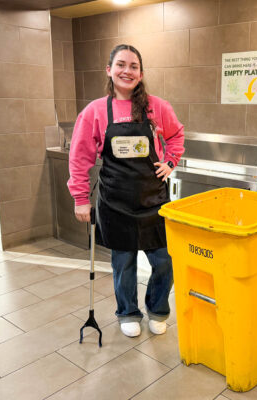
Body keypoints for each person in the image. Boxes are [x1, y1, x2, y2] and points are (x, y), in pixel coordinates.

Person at [67, 44, 185, 338]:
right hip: (115, 201)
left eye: (133, 66)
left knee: (164, 261)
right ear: (109, 70)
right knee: (124, 262)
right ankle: (128, 312)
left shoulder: (157, 107)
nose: (127, 71)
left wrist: (170, 161)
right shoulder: (95, 111)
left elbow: (176, 135)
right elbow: (80, 157)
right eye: (121, 64)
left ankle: (158, 309)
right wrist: (81, 199)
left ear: (141, 73)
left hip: (153, 199)